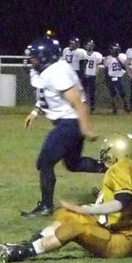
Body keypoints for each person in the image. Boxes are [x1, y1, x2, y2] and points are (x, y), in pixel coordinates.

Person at [0, 134, 132, 262]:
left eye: (108, 150)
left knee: (74, 228)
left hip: (126, 239)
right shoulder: (129, 168)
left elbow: (120, 203)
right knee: (66, 214)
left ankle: (25, 252)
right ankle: (31, 242)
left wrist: (84, 209)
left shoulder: (122, 168)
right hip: (114, 230)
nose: (105, 154)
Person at [20, 36, 104, 217]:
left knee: (44, 162)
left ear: (44, 57)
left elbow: (78, 103)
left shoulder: (56, 72)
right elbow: (47, 94)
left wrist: (86, 128)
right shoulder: (52, 70)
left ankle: (45, 206)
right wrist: (35, 112)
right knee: (73, 164)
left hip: (70, 123)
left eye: (33, 57)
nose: (31, 60)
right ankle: (111, 167)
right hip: (70, 122)